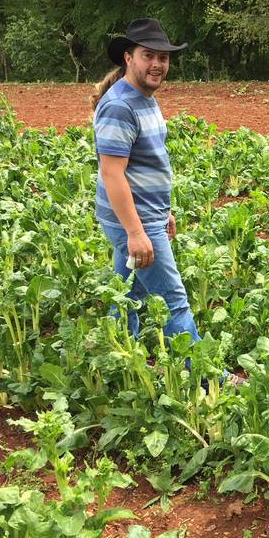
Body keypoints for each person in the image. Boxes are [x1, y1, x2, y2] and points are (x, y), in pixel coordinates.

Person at [90, 17, 198, 342]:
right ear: (129, 58)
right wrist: (137, 232)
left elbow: (145, 164)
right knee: (174, 302)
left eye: (162, 57)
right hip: (134, 222)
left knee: (127, 298)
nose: (157, 64)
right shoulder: (120, 106)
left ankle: (118, 362)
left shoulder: (144, 98)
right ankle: (207, 380)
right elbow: (112, 174)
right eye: (148, 55)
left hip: (147, 216)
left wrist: (163, 211)